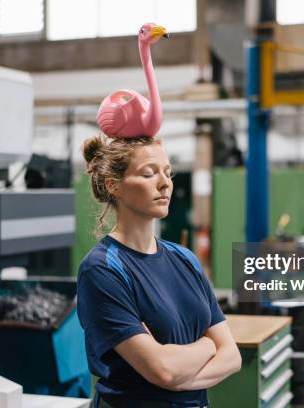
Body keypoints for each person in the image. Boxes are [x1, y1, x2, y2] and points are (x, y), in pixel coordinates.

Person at [77, 134, 241, 408]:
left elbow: (232, 356)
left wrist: (177, 377)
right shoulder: (102, 269)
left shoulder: (184, 259)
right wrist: (208, 346)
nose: (165, 183)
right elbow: (162, 370)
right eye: (149, 173)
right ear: (113, 185)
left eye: (168, 172)